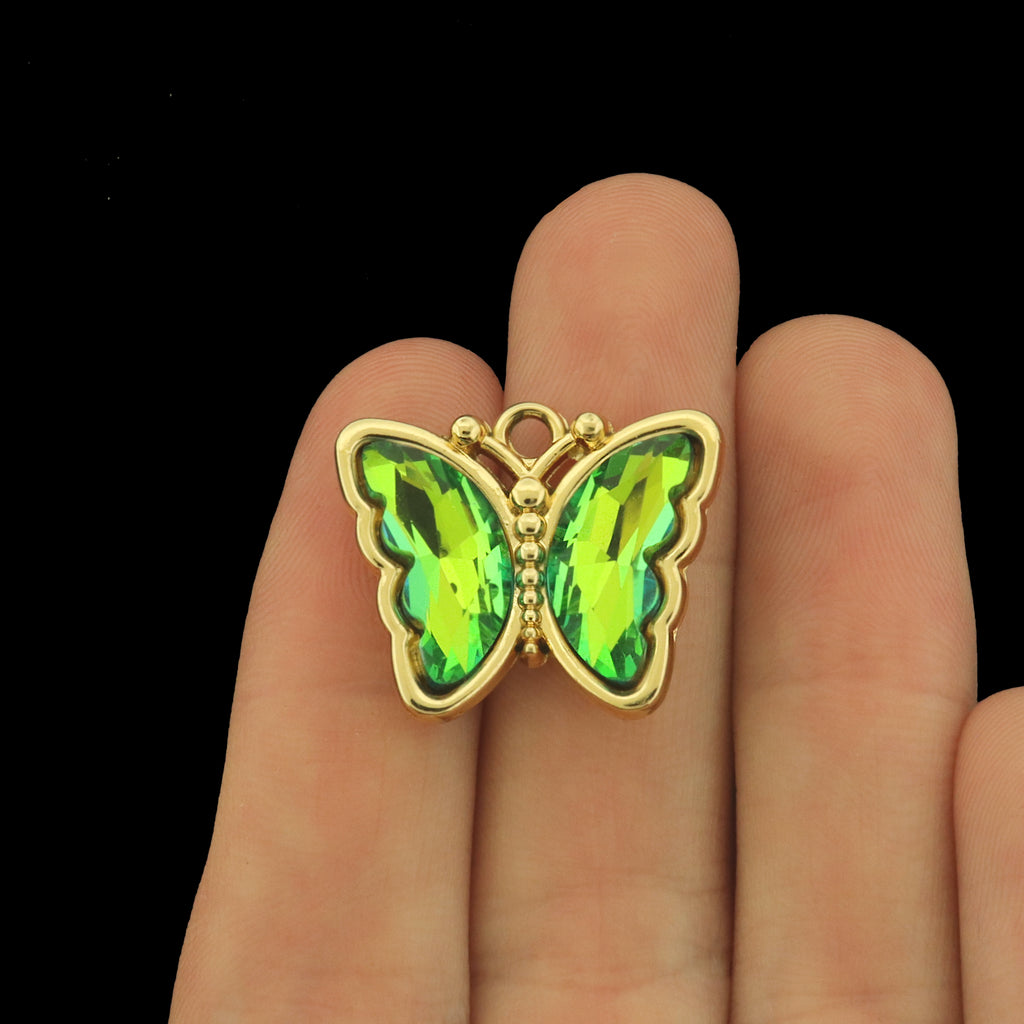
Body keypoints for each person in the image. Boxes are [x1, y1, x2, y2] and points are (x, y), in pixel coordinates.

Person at [168, 174, 1021, 1022]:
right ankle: (558, 635)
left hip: (491, 612)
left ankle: (518, 636)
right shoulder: (601, 472)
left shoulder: (461, 476)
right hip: (562, 608)